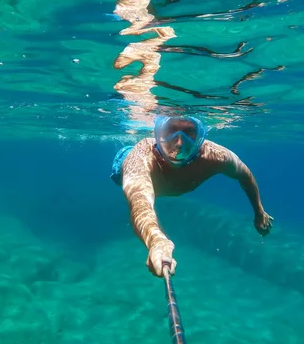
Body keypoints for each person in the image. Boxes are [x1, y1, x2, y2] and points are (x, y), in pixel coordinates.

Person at [110, 115, 273, 277]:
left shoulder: (216, 156)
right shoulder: (141, 158)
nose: (180, 143)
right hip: (125, 162)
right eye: (171, 130)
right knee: (123, 170)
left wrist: (259, 211)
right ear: (158, 134)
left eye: (190, 132)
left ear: (200, 135)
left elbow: (245, 175)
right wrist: (157, 241)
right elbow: (140, 204)